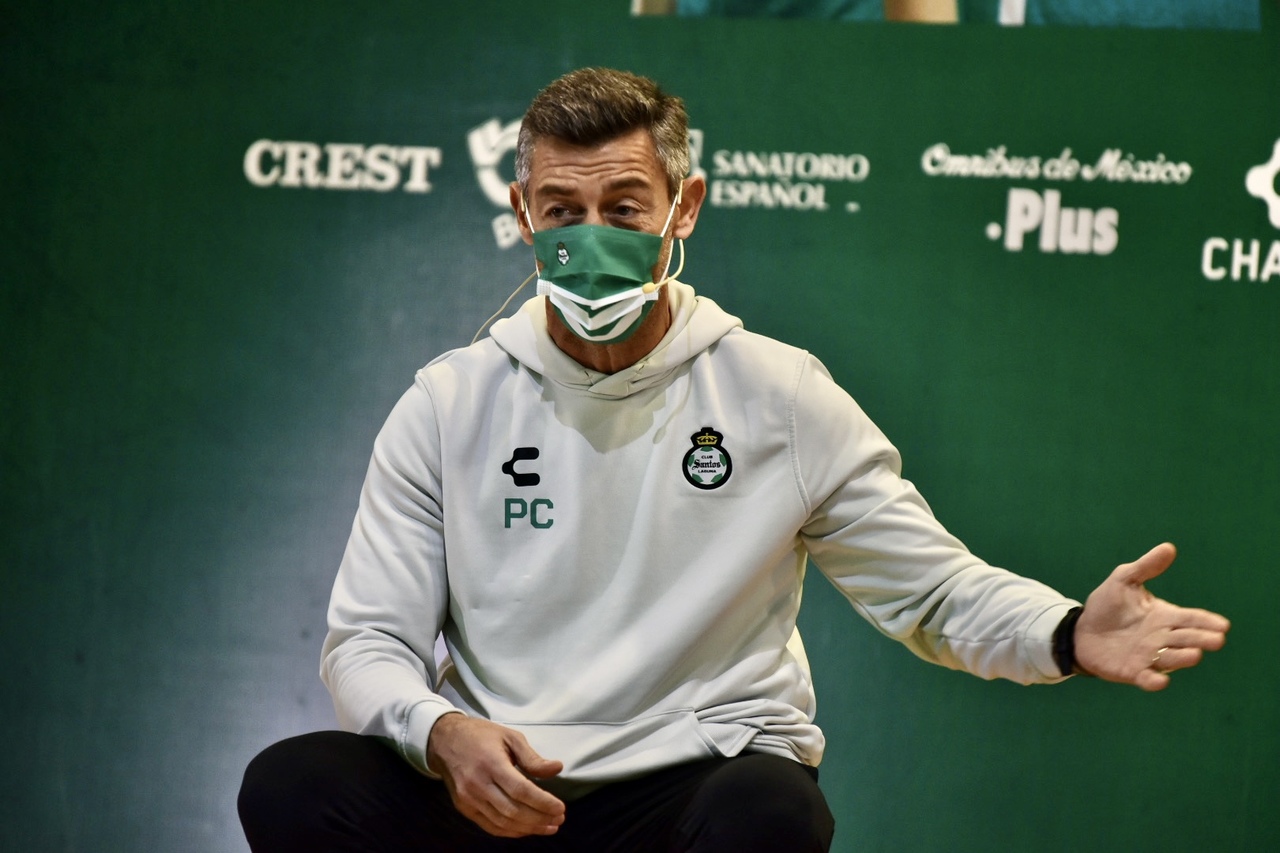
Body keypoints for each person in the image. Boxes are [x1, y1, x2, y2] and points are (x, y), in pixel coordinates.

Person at [237, 67, 1230, 852]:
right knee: (295, 784)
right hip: (501, 786)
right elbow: (367, 641)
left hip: (685, 791)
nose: (590, 238)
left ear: (685, 207)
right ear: (522, 212)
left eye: (624, 207)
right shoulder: (448, 403)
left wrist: (1067, 631)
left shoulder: (776, 393)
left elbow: (932, 592)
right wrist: (440, 733)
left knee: (771, 810)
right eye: (561, 210)